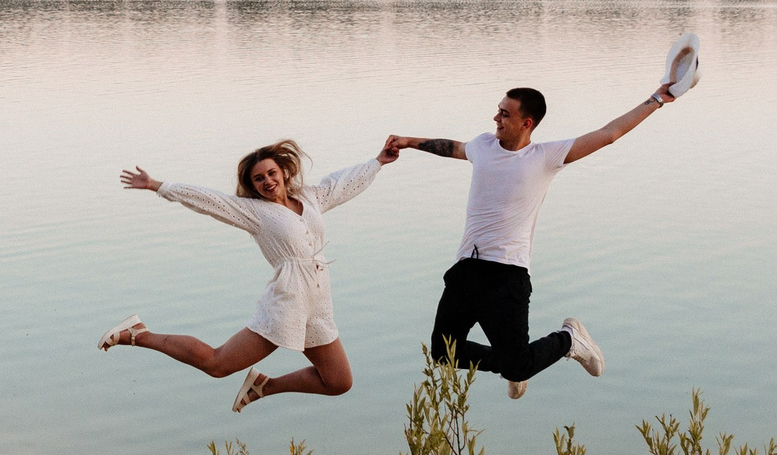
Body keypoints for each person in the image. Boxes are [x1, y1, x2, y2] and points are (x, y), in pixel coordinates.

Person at [383, 80, 680, 398]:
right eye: (498, 111)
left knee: (518, 366)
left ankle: (569, 340)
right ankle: (514, 365)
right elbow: (453, 147)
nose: (496, 118)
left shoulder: (545, 157)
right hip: (466, 269)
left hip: (506, 275)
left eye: (505, 114)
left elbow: (609, 134)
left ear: (527, 123)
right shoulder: (483, 146)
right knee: (444, 353)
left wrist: (656, 99)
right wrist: (409, 141)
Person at [100, 138, 395, 412]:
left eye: (271, 173)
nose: (268, 181)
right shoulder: (254, 212)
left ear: (284, 172)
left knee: (338, 381)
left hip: (318, 304)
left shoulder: (310, 197)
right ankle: (139, 333)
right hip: (288, 303)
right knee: (217, 364)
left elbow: (343, 184)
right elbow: (209, 200)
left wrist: (378, 161)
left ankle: (265, 385)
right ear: (252, 186)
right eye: (259, 178)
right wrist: (157, 185)